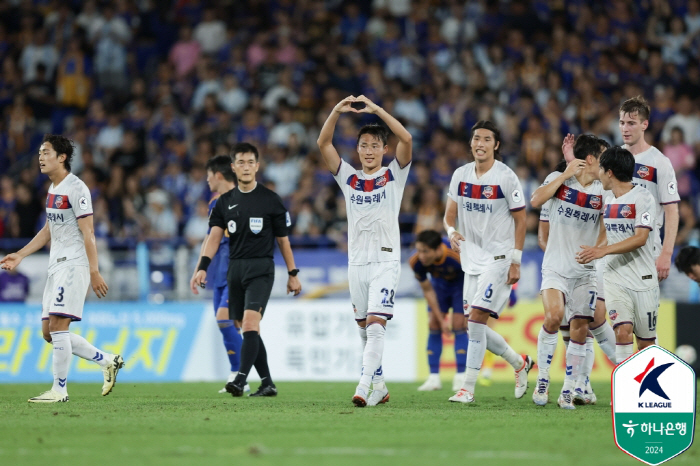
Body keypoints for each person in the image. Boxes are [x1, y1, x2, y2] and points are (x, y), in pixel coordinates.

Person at [0, 134, 124, 403]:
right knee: (49, 333)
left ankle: (60, 390)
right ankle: (108, 360)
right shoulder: (53, 190)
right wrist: (20, 254)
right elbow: (48, 230)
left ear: (62, 157)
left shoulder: (77, 188)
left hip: (74, 264)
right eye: (40, 153)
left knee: (58, 326)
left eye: (46, 152)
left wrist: (94, 271)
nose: (41, 157)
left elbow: (88, 232)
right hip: (55, 265)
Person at [317, 95, 412, 407]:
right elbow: (323, 143)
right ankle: (380, 385)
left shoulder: (394, 175)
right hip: (356, 263)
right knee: (363, 327)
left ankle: (363, 385)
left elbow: (407, 138)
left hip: (386, 260)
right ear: (356, 150)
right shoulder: (349, 178)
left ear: (384, 150)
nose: (369, 151)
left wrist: (377, 110)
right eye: (363, 146)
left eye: (375, 146)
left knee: (375, 324)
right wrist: (334, 111)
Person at [193, 142, 301, 397]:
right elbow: (213, 239)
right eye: (240, 162)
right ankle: (267, 382)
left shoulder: (271, 200)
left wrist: (293, 273)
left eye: (250, 162)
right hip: (235, 270)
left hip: (261, 268)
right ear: (233, 167)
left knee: (251, 323)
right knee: (245, 327)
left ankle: (239, 379)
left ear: (257, 166)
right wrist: (202, 268)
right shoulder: (223, 203)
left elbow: (283, 240)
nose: (245, 167)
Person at [444, 120, 533, 404]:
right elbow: (448, 216)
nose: (479, 144)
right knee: (474, 326)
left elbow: (522, 220)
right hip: (471, 259)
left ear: (496, 145)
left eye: (486, 139)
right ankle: (519, 363)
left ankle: (467, 388)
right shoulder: (460, 175)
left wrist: (515, 260)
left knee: (477, 317)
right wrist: (451, 232)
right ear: (470, 143)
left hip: (499, 257)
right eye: (475, 139)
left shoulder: (506, 177)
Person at [530, 135, 608, 409]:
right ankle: (542, 379)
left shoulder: (602, 191)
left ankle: (569, 389)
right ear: (590, 159)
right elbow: (536, 200)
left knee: (579, 330)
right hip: (555, 267)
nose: (606, 162)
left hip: (584, 272)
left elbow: (606, 229)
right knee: (552, 318)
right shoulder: (560, 179)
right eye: (603, 156)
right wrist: (564, 173)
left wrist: (597, 250)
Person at [577, 147, 659, 363]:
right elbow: (609, 236)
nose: (599, 174)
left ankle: (644, 390)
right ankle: (624, 393)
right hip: (615, 277)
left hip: (644, 279)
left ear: (610, 172)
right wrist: (595, 252)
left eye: (601, 169)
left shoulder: (643, 198)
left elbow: (640, 238)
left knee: (645, 344)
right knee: (622, 332)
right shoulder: (609, 200)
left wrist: (602, 251)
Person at [189, 155, 249, 394]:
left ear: (218, 175)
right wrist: (198, 269)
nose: (206, 180)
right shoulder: (215, 204)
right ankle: (241, 376)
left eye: (208, 175)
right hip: (220, 272)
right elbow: (210, 238)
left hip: (239, 271)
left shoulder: (246, 199)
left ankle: (241, 374)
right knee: (230, 324)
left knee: (226, 320)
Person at [409, 229, 467, 392]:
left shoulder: (456, 255)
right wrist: (441, 321)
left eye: (425, 251)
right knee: (433, 324)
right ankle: (433, 378)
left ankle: (461, 376)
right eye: (419, 250)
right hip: (439, 288)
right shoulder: (416, 262)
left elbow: (474, 276)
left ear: (437, 249)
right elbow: (427, 291)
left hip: (461, 287)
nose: (421, 255)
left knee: (458, 325)